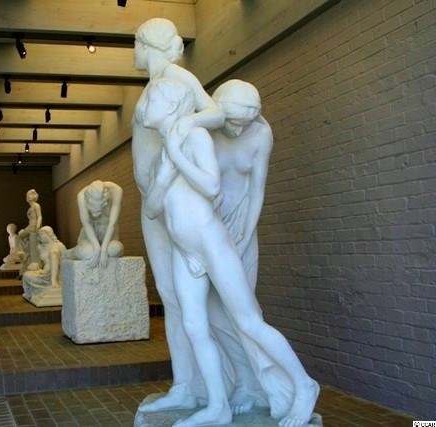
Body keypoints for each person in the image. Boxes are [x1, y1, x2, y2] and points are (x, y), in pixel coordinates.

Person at [143, 77, 319, 427]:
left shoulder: (196, 137)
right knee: (195, 324)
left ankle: (304, 384)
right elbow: (152, 209)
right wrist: (164, 173)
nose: (144, 108)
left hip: (214, 241)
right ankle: (218, 404)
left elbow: (214, 187)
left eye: (152, 102)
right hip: (186, 250)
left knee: (248, 320)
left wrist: (176, 155)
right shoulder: (183, 137)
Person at [132, 18, 235, 419]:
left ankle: (204, 388)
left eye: (136, 43)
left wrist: (187, 122)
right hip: (155, 202)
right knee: (170, 294)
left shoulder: (176, 77)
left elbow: (217, 113)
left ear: (149, 44)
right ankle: (185, 386)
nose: (134, 52)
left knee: (182, 298)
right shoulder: (154, 83)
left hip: (173, 201)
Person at [65, 180, 124, 268]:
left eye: (98, 211)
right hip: (90, 235)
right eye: (93, 211)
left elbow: (113, 223)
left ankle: (100, 249)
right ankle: (71, 253)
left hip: (109, 234)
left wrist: (104, 249)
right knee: (90, 254)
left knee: (115, 250)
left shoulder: (116, 191)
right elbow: (87, 224)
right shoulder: (81, 196)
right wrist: (97, 248)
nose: (96, 215)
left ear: (104, 203)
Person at [22, 226, 66, 298]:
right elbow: (41, 263)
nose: (40, 237)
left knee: (53, 253)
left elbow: (66, 261)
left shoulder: (59, 246)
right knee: (26, 275)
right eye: (39, 235)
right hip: (45, 273)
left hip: (58, 273)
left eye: (42, 234)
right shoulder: (40, 247)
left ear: (49, 234)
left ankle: (54, 282)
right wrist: (37, 266)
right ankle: (32, 294)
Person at [18, 189, 42, 272]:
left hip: (33, 227)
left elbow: (39, 216)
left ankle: (35, 263)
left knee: (33, 246)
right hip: (30, 226)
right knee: (20, 235)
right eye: (28, 195)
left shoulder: (36, 205)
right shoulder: (31, 207)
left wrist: (37, 227)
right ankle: (26, 252)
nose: (28, 197)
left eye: (30, 195)